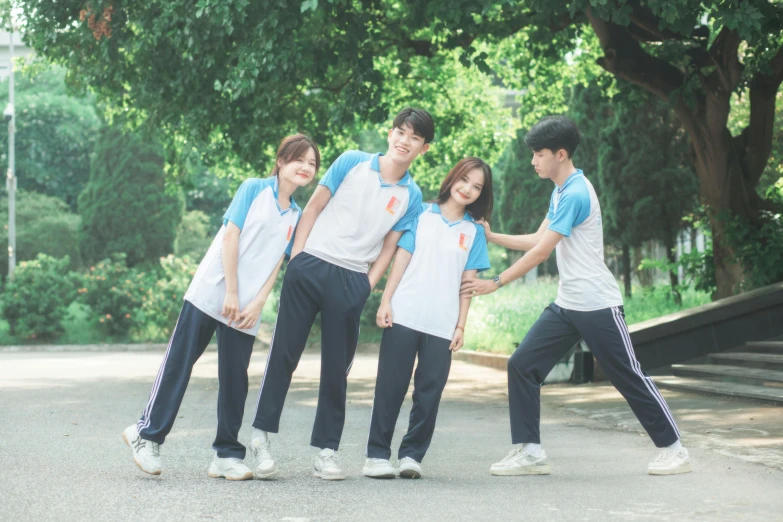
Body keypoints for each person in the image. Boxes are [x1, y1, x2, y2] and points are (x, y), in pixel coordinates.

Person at [460, 116, 691, 476]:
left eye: (538, 154)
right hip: (568, 305)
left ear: (561, 154)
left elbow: (541, 254)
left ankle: (674, 449)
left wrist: (497, 281)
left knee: (627, 375)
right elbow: (538, 239)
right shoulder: (561, 191)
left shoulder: (577, 192)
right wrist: (493, 236)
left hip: (597, 304)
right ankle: (530, 452)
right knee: (522, 364)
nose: (533, 161)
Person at [249, 108, 434, 481]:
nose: (404, 141)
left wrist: (367, 285)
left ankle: (327, 452)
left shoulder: (411, 195)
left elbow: (389, 248)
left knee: (337, 370)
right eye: (400, 132)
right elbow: (314, 205)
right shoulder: (351, 161)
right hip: (311, 265)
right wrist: (298, 257)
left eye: (414, 137)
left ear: (424, 148)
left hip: (352, 281)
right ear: (389, 134)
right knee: (284, 354)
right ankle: (261, 439)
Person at [122, 135, 319, 480]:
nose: (305, 167)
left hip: (245, 307)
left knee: (234, 378)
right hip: (213, 290)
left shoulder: (297, 215)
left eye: (312, 163)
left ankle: (226, 455)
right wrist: (231, 290)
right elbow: (231, 236)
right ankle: (145, 433)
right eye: (298, 159)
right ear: (281, 161)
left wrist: (258, 302)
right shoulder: (253, 189)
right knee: (180, 362)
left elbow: (277, 264)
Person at [363, 157, 492, 480]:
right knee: (390, 388)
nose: (468, 189)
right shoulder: (421, 213)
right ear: (453, 178)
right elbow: (400, 258)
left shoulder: (473, 232)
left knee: (429, 393)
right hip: (404, 314)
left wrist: (461, 324)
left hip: (442, 324)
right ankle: (377, 456)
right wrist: (386, 300)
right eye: (465, 180)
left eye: (477, 187)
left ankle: (411, 455)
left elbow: (468, 284)